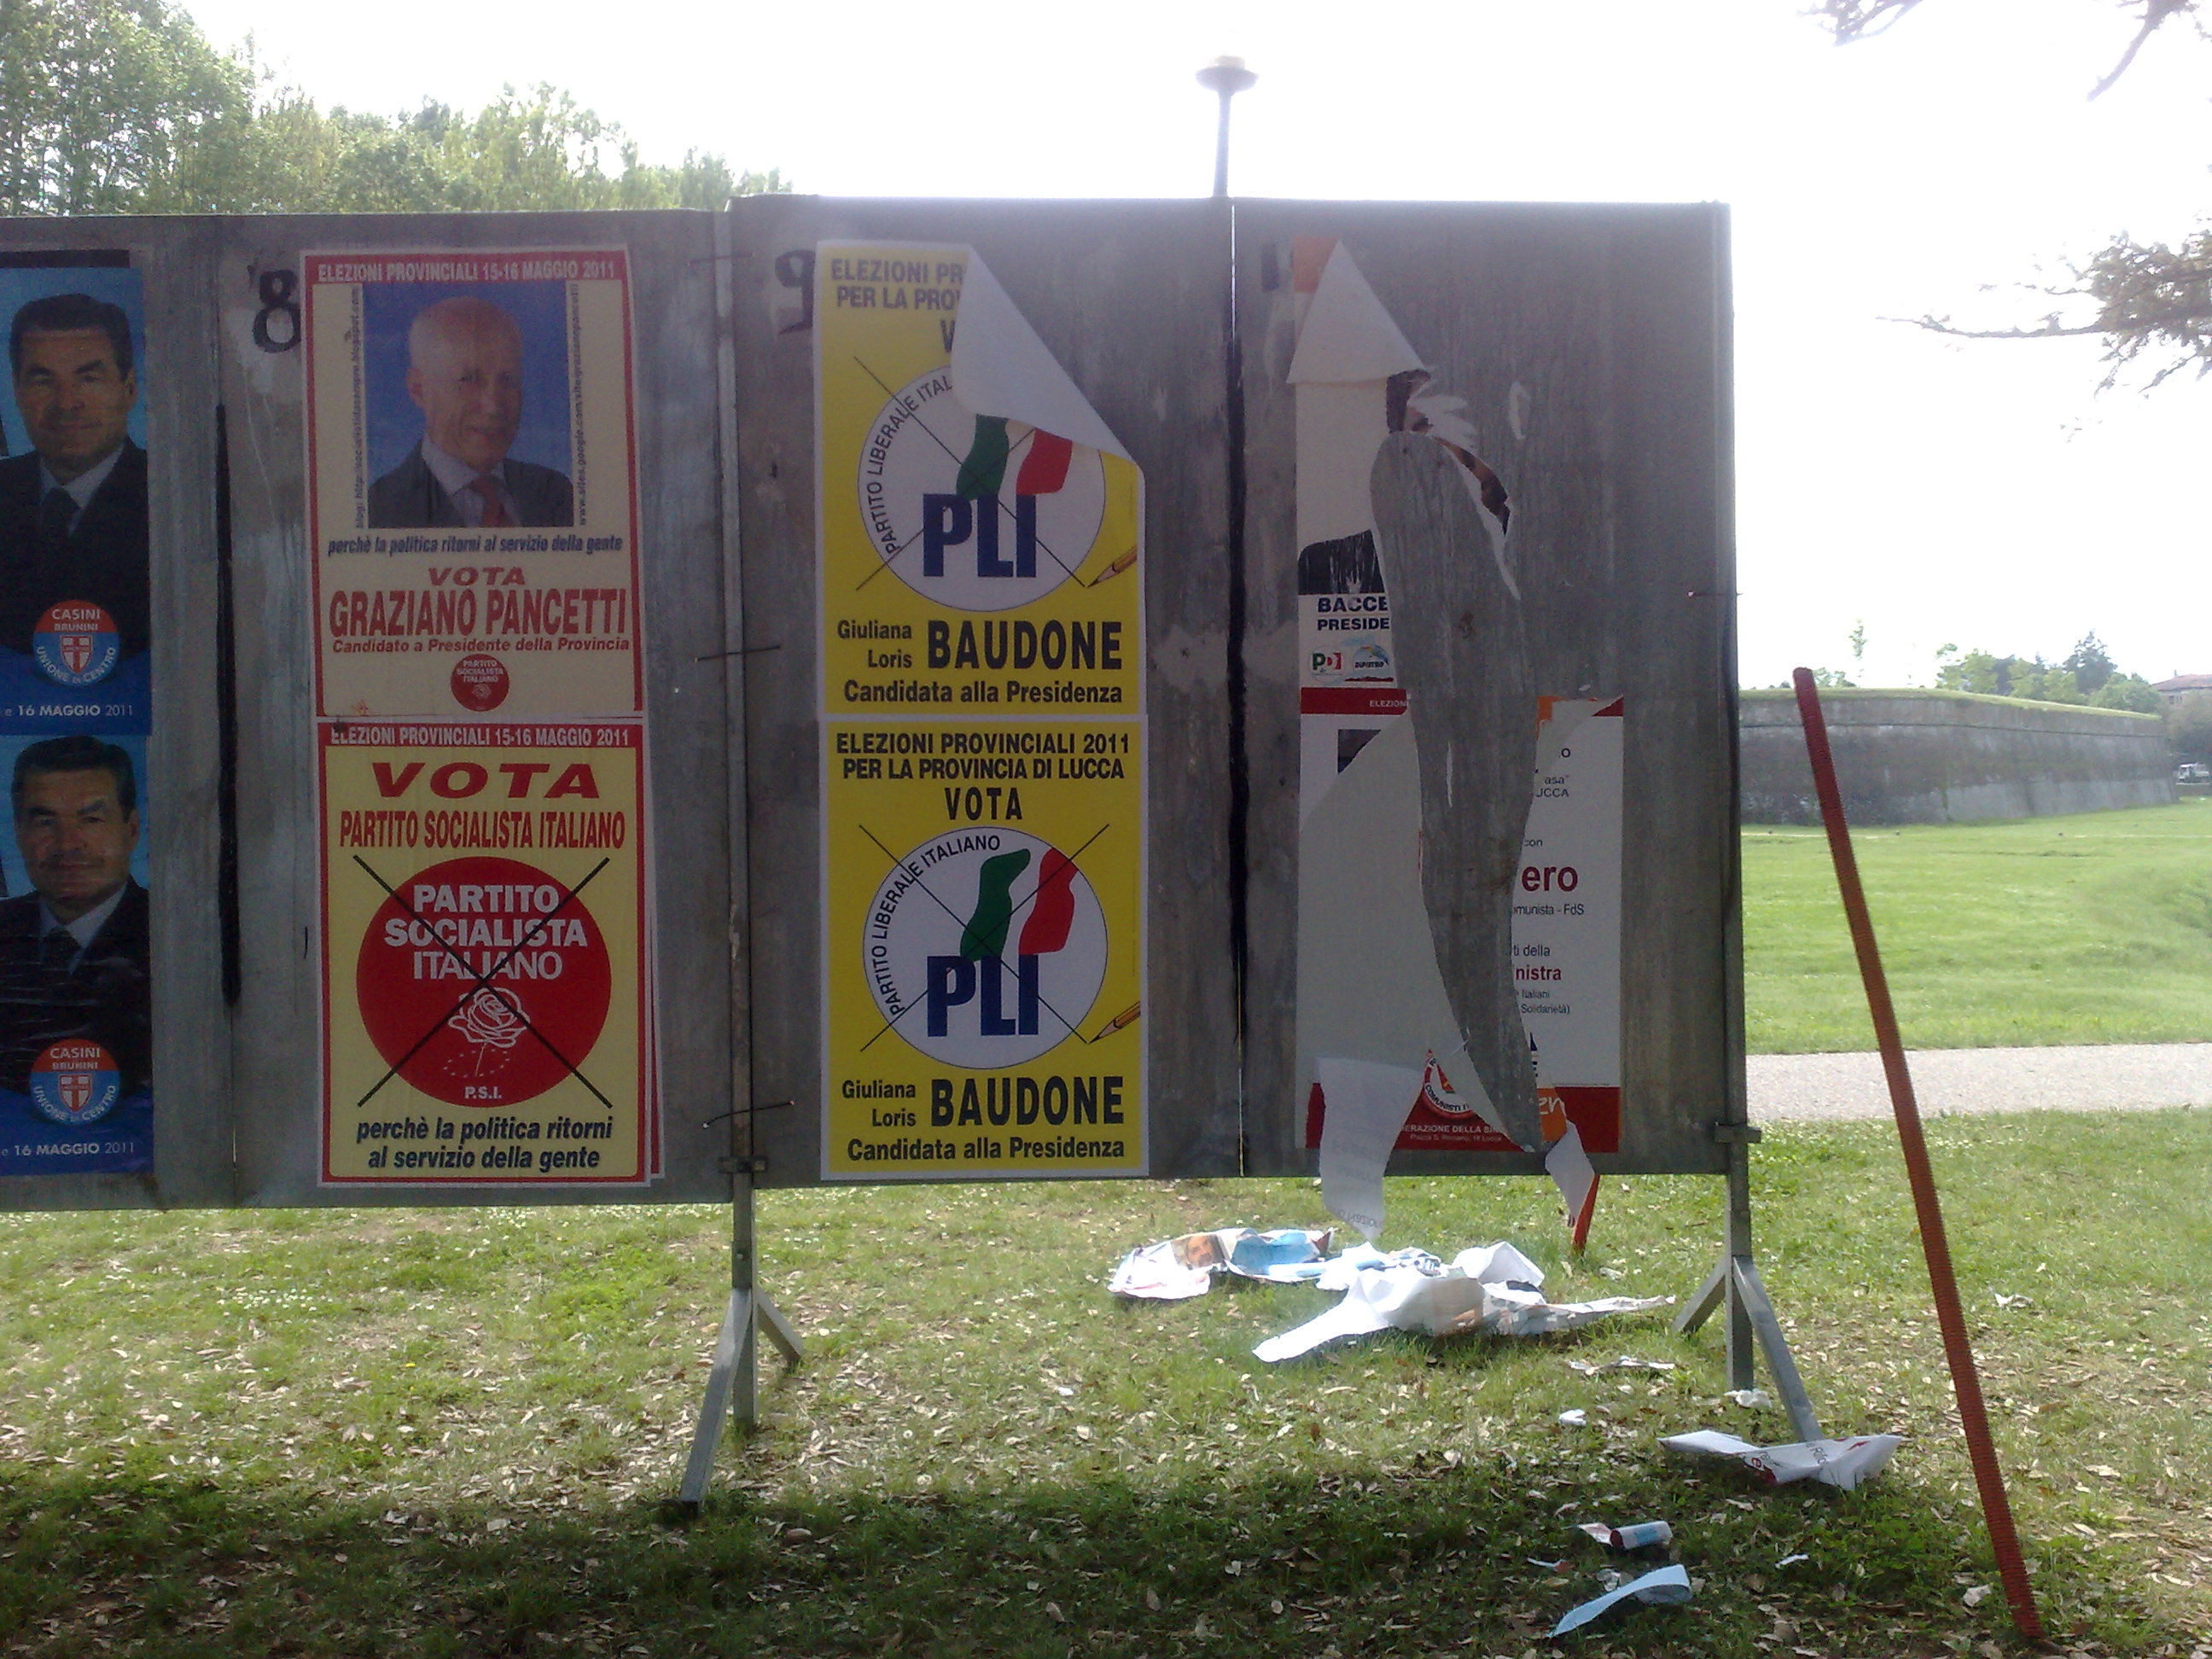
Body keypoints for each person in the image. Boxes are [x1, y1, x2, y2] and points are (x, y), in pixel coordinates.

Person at [0, 293, 150, 659]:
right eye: (42, 381)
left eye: (88, 378)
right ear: (17, 392)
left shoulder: (168, 494)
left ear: (128, 389)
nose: (66, 402)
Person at [0, 736, 149, 1097]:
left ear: (131, 830)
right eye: (45, 822)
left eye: (91, 819)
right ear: (18, 832)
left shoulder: (173, 931)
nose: (68, 843)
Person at [366, 294, 574, 528]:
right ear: (419, 390)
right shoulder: (379, 511)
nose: (493, 406)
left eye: (508, 380)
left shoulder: (556, 492)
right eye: (470, 379)